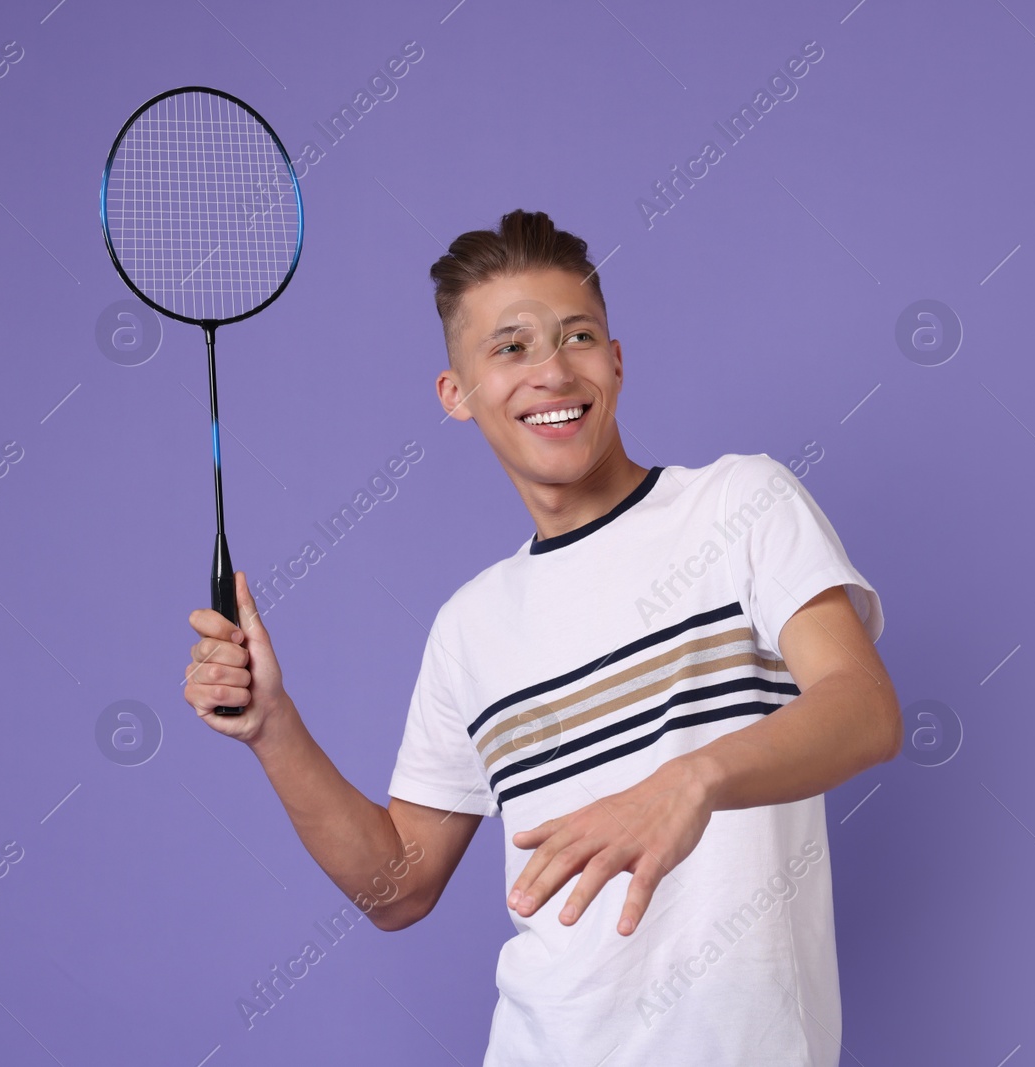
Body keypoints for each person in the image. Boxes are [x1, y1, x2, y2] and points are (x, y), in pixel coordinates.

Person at [182, 209, 901, 1065]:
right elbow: (398, 887)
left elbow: (864, 710)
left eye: (578, 336)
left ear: (618, 360)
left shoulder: (740, 505)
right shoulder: (469, 627)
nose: (553, 371)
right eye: (511, 347)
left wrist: (693, 779)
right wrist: (273, 726)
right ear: (458, 394)